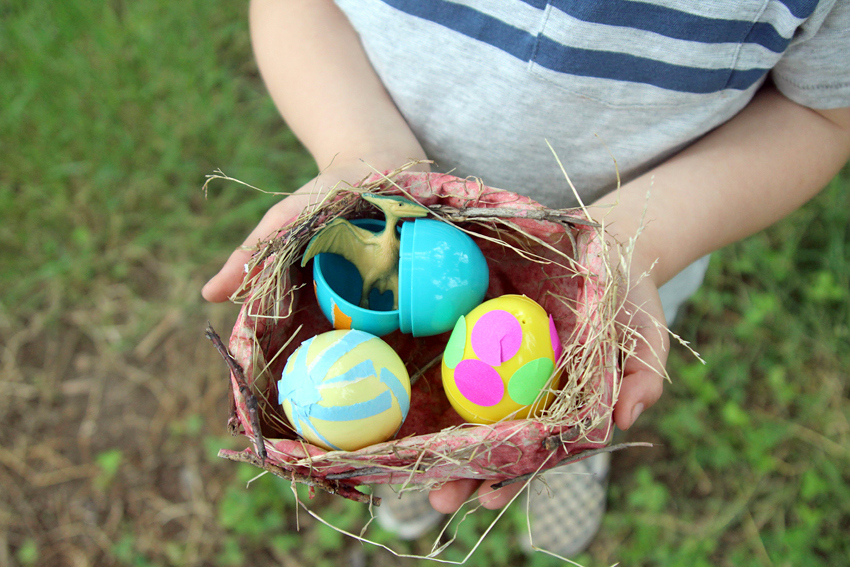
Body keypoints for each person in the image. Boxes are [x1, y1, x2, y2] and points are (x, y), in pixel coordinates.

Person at [203, 0, 850, 556]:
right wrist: (364, 152)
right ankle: (394, 462)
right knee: (392, 421)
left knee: (572, 380)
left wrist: (635, 238)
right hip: (387, 209)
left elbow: (824, 112)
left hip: (624, 259)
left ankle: (555, 439)